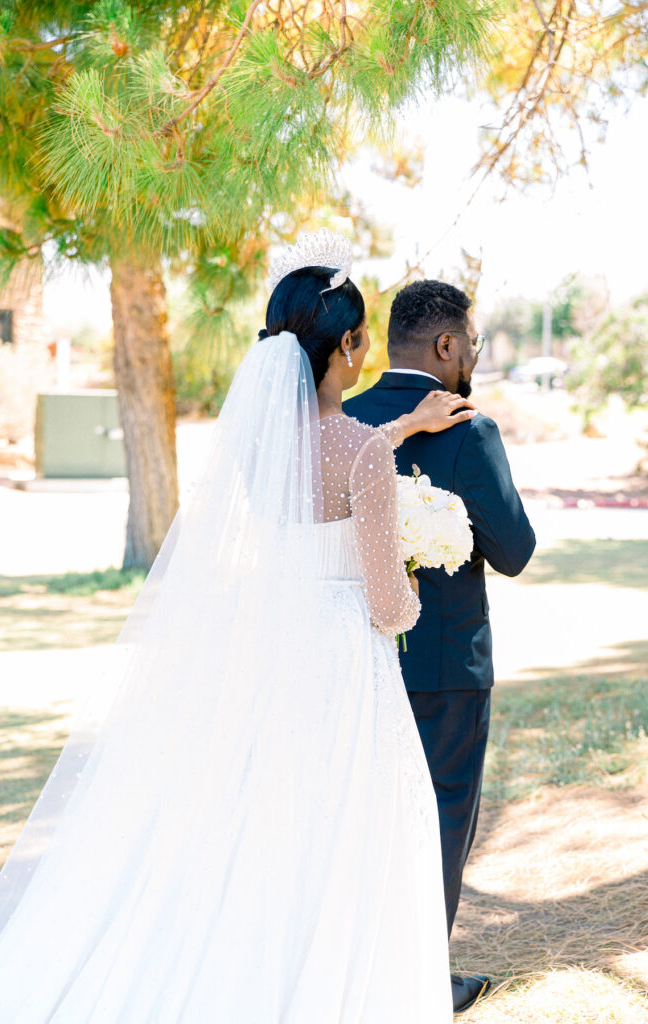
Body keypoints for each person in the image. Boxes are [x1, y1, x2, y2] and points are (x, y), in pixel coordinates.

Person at [0, 234, 475, 1022]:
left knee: (263, 833)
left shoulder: (258, 448)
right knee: (343, 836)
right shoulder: (364, 454)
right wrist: (411, 577)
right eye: (359, 336)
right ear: (347, 345)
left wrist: (399, 430)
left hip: (272, 663)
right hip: (342, 673)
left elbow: (315, 472)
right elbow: (386, 608)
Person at [345, 279, 536, 1013]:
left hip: (357, 658)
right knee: (441, 816)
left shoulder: (345, 418)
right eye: (474, 347)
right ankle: (420, 979)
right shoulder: (469, 430)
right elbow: (514, 551)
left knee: (361, 815)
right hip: (448, 665)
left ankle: (357, 965)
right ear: (448, 346)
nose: (473, 361)